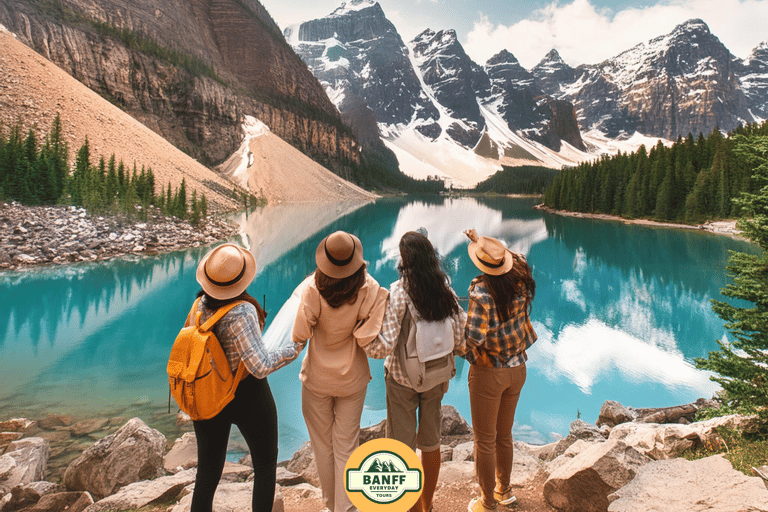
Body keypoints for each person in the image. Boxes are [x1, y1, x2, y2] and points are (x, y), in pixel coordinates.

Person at [188, 243, 302, 512]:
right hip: (248, 394)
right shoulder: (242, 311)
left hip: (208, 393)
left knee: (206, 475)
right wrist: (293, 349)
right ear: (242, 279)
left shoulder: (199, 305)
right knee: (264, 465)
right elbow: (259, 365)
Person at [292, 230, 390, 512]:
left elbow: (300, 333)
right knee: (347, 444)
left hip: (316, 379)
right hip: (353, 379)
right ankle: (346, 507)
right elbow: (368, 336)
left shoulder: (313, 288)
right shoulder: (370, 288)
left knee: (322, 446)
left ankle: (330, 505)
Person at [378, 231, 467, 512]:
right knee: (431, 444)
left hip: (403, 379)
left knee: (401, 447)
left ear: (404, 260)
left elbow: (386, 344)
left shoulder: (399, 292)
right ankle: (427, 504)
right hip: (437, 376)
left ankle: (412, 507)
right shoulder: (445, 289)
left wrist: (363, 340)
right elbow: (460, 332)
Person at [462, 229, 537, 512]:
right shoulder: (519, 281)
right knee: (504, 435)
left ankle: (486, 503)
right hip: (518, 369)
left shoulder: (481, 293)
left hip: (489, 373)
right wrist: (481, 242)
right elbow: (516, 259)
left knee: (484, 440)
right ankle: (504, 491)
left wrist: (462, 350)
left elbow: (473, 339)